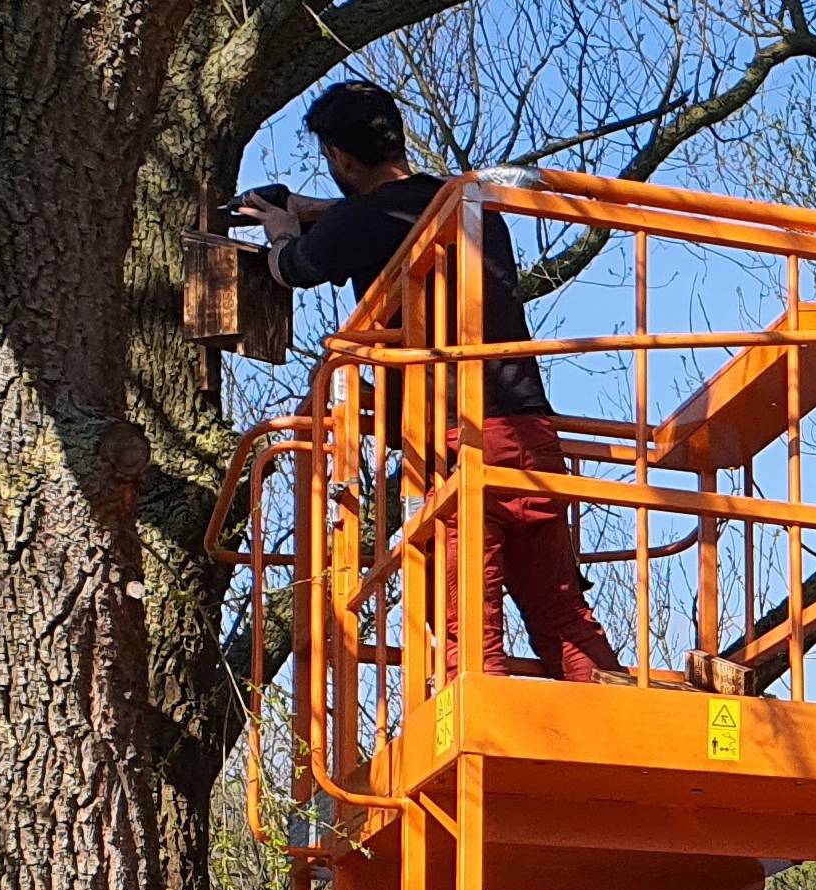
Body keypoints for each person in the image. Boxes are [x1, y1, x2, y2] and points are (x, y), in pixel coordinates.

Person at [239, 78, 624, 684]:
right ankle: (615, 720)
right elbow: (380, 215)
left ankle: (479, 743)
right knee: (562, 613)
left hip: (454, 437)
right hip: (529, 432)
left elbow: (294, 267)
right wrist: (314, 208)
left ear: (339, 158)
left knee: (469, 629)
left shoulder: (367, 221)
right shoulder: (464, 203)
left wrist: (283, 226)